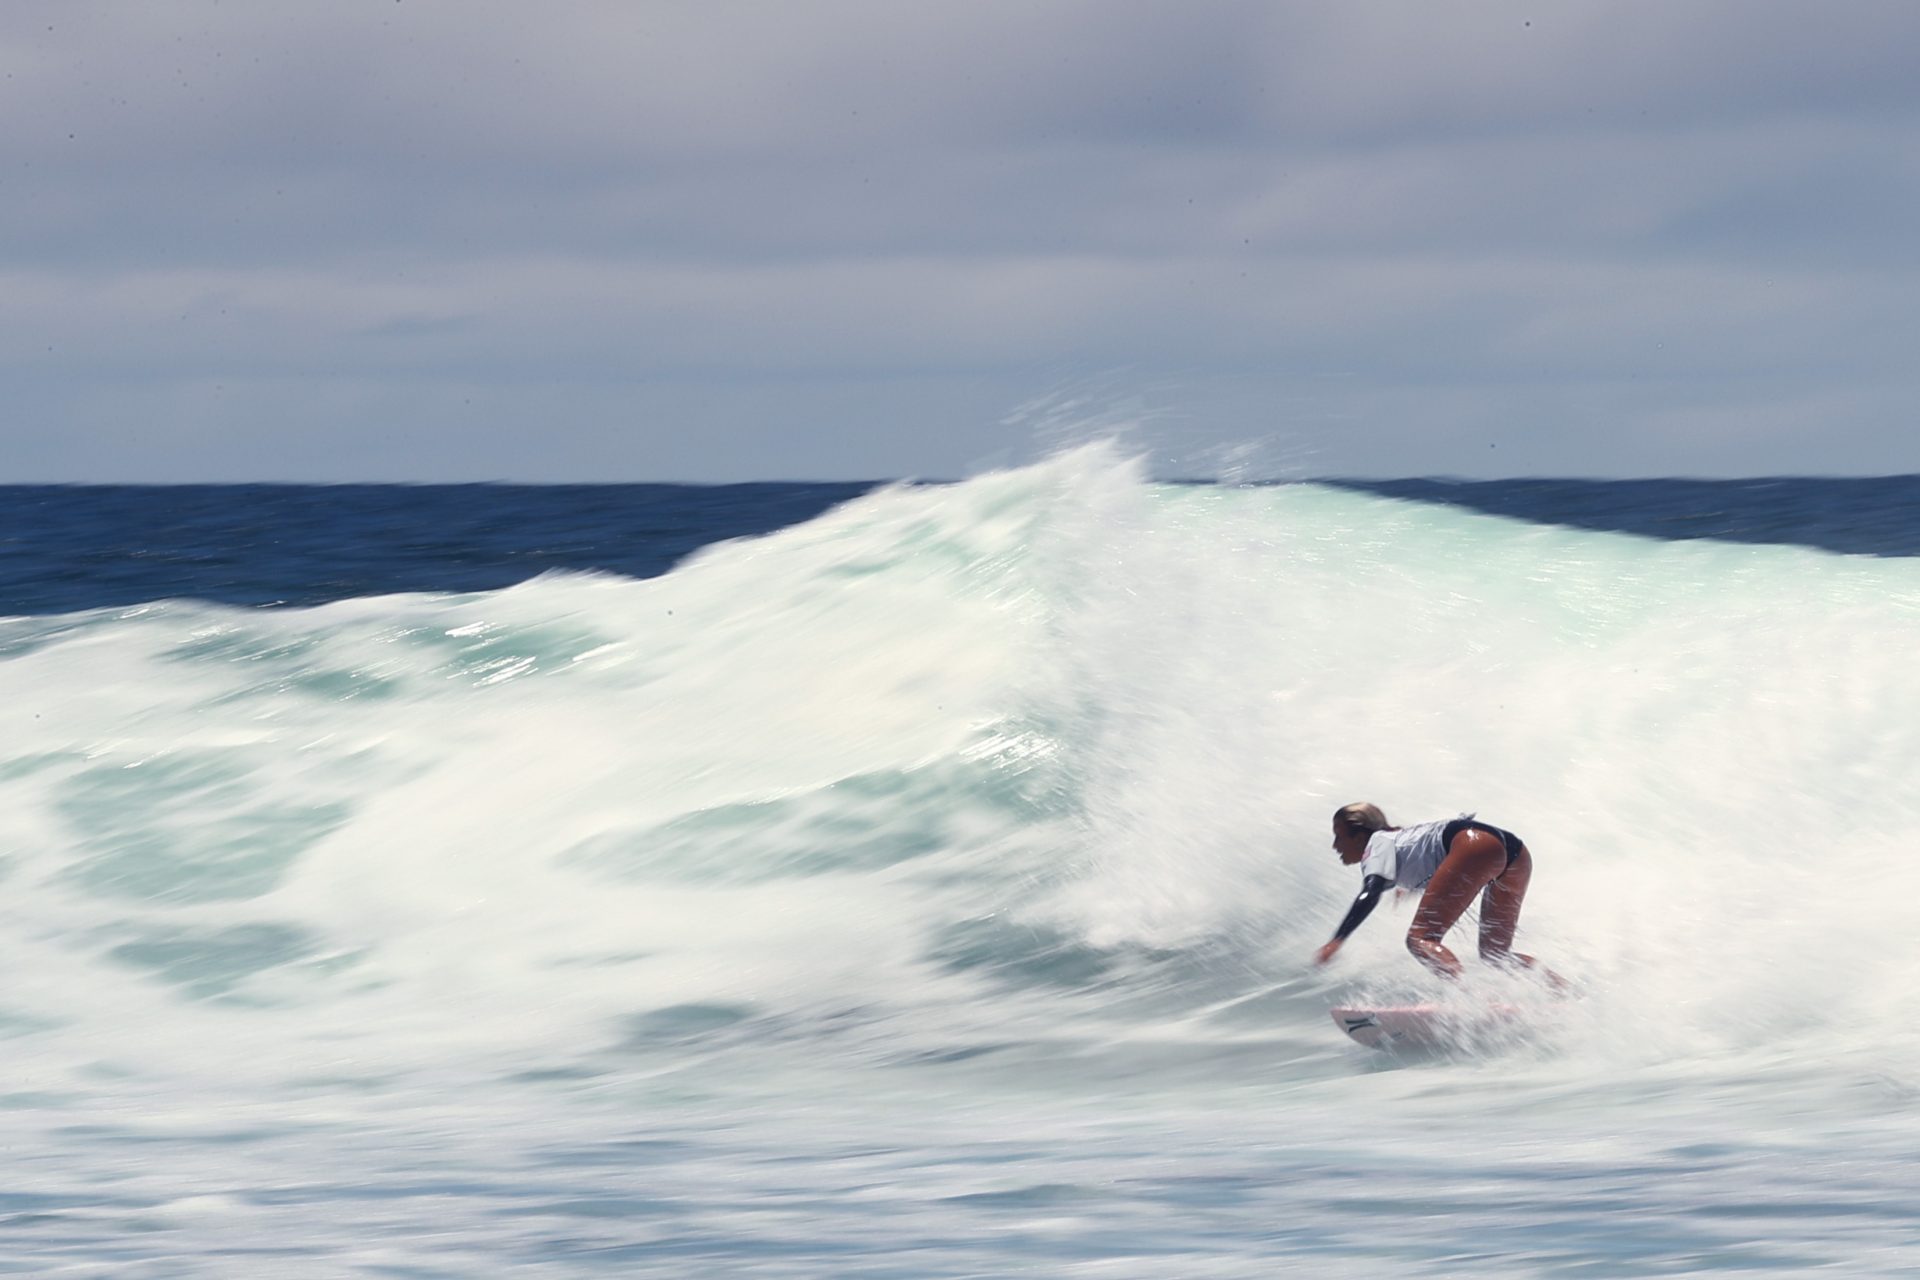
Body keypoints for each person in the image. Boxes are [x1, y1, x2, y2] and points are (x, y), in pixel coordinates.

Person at [1314, 802, 1556, 982]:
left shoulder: (1376, 844)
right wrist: (1408, 890)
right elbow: (1430, 857)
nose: (1335, 846)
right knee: (1496, 953)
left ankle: (1466, 999)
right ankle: (1563, 992)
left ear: (1359, 837)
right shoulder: (1398, 840)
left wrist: (1337, 940)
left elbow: (1370, 892)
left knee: (1420, 939)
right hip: (1515, 851)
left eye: (1339, 836)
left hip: (1474, 844)